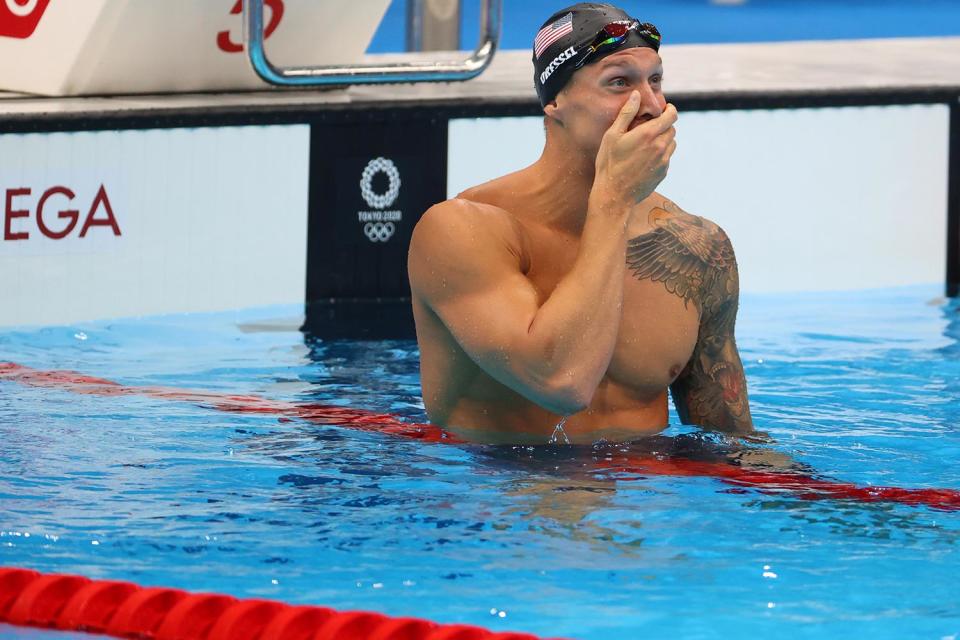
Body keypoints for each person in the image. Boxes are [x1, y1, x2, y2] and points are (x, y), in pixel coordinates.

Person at [408, 2, 752, 444]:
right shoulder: (463, 231)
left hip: (646, 500)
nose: (650, 105)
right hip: (496, 486)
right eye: (619, 82)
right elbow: (562, 383)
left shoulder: (697, 246)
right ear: (556, 102)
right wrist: (611, 202)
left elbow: (729, 445)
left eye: (655, 81)